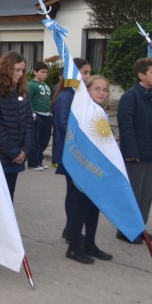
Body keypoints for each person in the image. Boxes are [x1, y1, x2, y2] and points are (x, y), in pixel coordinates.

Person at [54, 74, 114, 264]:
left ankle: (90, 243)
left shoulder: (101, 112)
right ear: (87, 91)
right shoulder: (80, 111)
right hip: (81, 167)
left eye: (105, 89)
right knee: (79, 206)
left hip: (96, 168)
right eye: (97, 89)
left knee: (93, 207)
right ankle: (73, 248)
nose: (102, 92)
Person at [116, 57, 152, 244]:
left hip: (151, 152)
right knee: (134, 194)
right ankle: (125, 230)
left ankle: (139, 228)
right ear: (141, 75)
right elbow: (126, 126)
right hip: (135, 154)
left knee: (146, 194)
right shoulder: (131, 96)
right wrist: (131, 152)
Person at [52, 58, 92, 243]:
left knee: (77, 192)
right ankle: (71, 229)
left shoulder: (80, 95)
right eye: (84, 73)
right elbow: (62, 125)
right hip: (70, 152)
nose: (88, 77)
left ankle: (71, 228)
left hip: (79, 152)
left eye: (89, 73)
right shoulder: (65, 97)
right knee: (74, 192)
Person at [0, 51, 34, 202]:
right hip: (1, 157)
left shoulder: (21, 91)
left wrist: (25, 150)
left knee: (9, 196)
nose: (20, 74)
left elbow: (29, 122)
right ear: (7, 69)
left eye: (22, 70)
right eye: (17, 70)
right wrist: (13, 152)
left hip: (18, 155)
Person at [27, 61, 52, 171]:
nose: (45, 74)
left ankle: (39, 160)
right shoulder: (31, 85)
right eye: (42, 72)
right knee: (36, 140)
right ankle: (33, 162)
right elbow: (28, 100)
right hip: (37, 115)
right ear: (35, 72)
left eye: (46, 72)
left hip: (47, 115)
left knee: (44, 140)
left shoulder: (45, 85)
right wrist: (32, 113)